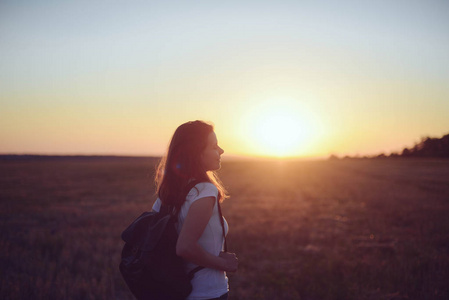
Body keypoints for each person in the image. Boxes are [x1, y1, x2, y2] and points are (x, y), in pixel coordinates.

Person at [152, 120, 238, 300]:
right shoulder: (205, 191)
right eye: (214, 146)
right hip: (206, 293)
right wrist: (223, 263)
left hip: (173, 290)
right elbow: (185, 247)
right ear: (196, 153)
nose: (221, 151)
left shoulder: (167, 194)